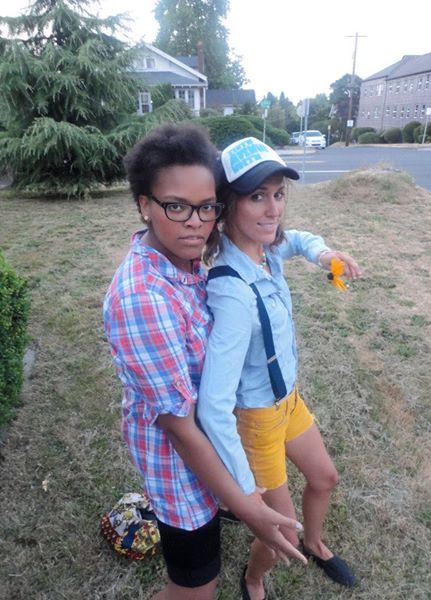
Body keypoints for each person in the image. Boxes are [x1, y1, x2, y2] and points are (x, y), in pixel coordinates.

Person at [103, 125, 306, 600]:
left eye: (207, 206)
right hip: (181, 469)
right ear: (144, 204)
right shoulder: (142, 299)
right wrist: (248, 506)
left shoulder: (184, 258)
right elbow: (181, 430)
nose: (197, 223)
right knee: (196, 587)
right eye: (177, 206)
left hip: (216, 445)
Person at [198, 137, 363, 599]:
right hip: (258, 420)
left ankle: (316, 544)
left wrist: (324, 255)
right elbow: (213, 406)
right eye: (257, 197)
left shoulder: (266, 248)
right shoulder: (232, 293)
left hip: (288, 400)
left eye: (278, 194)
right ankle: (253, 578)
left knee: (325, 478)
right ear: (226, 206)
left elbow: (301, 239)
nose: (273, 210)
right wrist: (243, 490)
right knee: (279, 533)